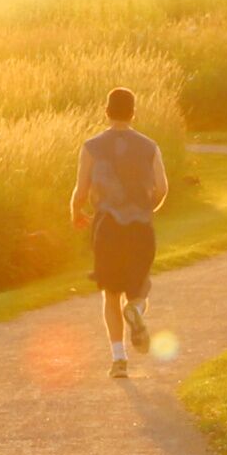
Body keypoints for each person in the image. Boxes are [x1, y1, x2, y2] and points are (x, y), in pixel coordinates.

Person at [69, 87, 170, 378]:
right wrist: (148, 209)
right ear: (133, 112)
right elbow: (162, 188)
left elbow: (81, 190)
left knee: (110, 294)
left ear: (107, 111)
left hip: (107, 228)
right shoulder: (150, 146)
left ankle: (119, 360)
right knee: (139, 287)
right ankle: (136, 310)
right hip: (140, 226)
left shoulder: (91, 146)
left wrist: (76, 213)